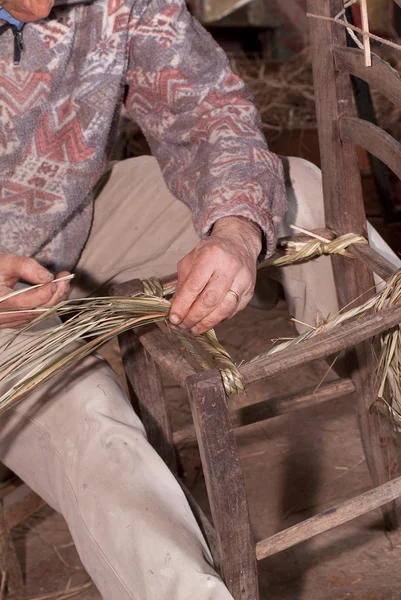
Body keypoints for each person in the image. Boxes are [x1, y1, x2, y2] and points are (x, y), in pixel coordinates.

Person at [1, 0, 400, 598]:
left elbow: (206, 107)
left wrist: (237, 228)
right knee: (91, 422)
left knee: (307, 203)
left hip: (73, 217)